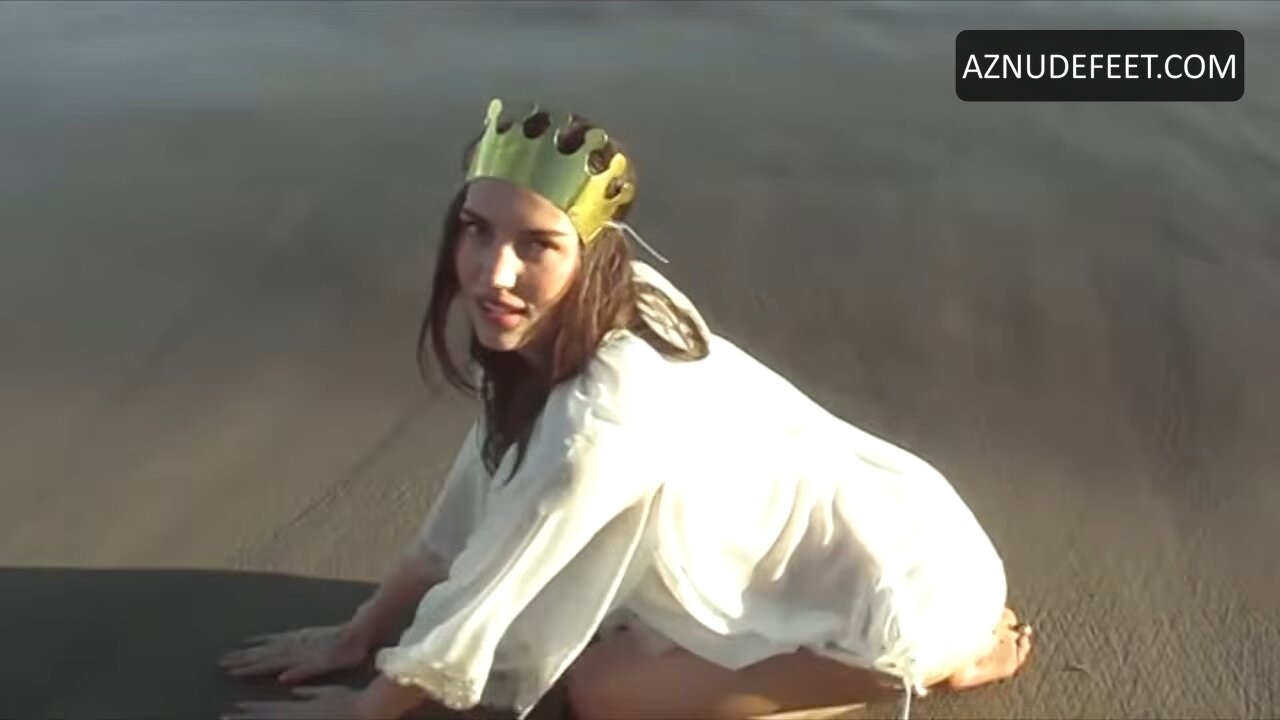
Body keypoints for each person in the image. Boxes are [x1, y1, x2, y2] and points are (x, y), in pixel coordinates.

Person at [218, 98, 1034, 720]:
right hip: (896, 523)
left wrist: (364, 712)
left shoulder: (602, 424)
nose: (493, 274)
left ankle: (929, 667)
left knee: (602, 694)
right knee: (592, 634)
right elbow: (475, 497)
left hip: (911, 592)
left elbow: (490, 592)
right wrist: (363, 630)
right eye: (475, 230)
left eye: (537, 245)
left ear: (590, 252)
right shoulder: (622, 295)